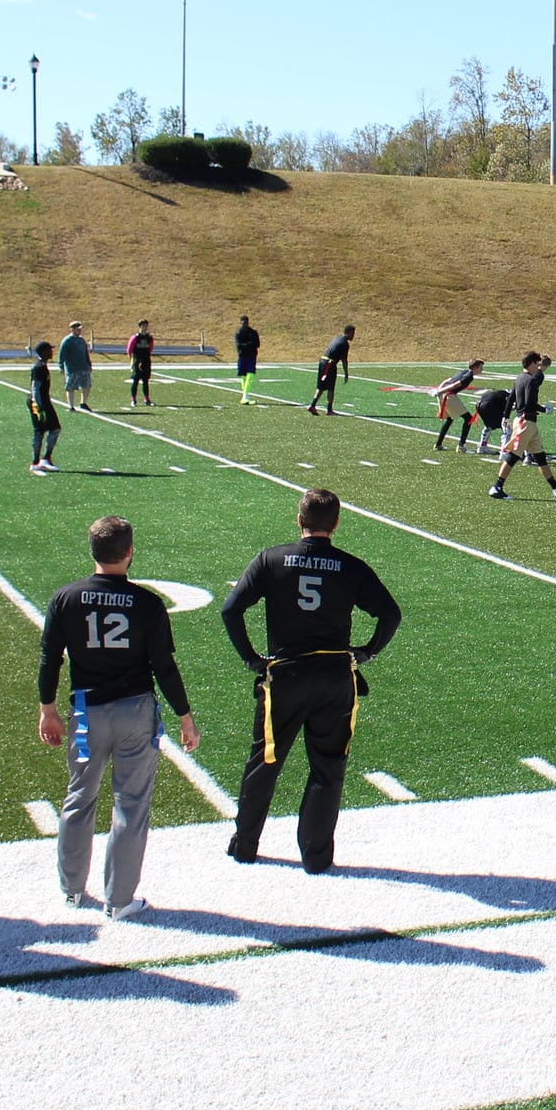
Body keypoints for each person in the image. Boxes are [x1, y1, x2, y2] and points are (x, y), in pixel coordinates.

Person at [221, 489, 401, 871]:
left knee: (265, 761)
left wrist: (253, 660)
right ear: (336, 524)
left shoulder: (271, 558)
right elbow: (391, 615)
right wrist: (366, 652)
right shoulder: (350, 566)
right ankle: (317, 856)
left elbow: (231, 609)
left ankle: (246, 844)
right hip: (336, 678)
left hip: (286, 674)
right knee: (328, 767)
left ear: (299, 520)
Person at [39, 515, 196, 919]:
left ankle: (72, 889)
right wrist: (184, 715)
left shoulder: (66, 597)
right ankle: (120, 899)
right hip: (134, 709)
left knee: (79, 798)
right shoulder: (146, 603)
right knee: (131, 805)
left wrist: (47, 708)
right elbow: (164, 665)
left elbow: (50, 658)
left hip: (86, 712)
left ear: (92, 551)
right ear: (129, 553)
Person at [490, 352, 556, 501]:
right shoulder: (530, 380)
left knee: (540, 457)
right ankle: (497, 487)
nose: (538, 367)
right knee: (513, 456)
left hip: (528, 422)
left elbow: (511, 398)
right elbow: (529, 403)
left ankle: (555, 487)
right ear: (531, 364)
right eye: (537, 364)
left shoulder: (519, 378)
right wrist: (544, 409)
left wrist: (505, 416)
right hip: (526, 422)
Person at [429, 359, 483, 451]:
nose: (482, 370)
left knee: (449, 419)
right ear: (475, 367)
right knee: (469, 419)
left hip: (443, 395)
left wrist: (439, 390)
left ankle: (438, 444)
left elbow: (447, 380)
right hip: (449, 396)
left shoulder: (463, 371)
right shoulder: (469, 376)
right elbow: (455, 384)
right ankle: (461, 446)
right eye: (481, 367)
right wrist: (439, 391)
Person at [28, 340, 62, 473]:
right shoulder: (39, 367)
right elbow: (35, 388)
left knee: (41, 430)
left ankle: (38, 460)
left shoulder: (41, 365)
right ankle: (43, 459)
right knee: (53, 428)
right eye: (49, 350)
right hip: (40, 402)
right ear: (43, 352)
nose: (52, 352)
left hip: (40, 401)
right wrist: (39, 406)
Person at [307, 325, 355, 415]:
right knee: (330, 388)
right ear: (348, 333)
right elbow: (344, 361)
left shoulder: (337, 338)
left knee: (321, 386)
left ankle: (312, 405)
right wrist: (346, 374)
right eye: (353, 333)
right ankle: (329, 410)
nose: (353, 336)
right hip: (330, 364)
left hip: (323, 362)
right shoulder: (345, 343)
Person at [58, 321, 95, 412]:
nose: (79, 330)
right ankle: (71, 406)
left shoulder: (81, 340)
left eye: (80, 329)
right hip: (72, 368)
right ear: (72, 329)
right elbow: (62, 354)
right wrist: (61, 366)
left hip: (83, 367)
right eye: (77, 328)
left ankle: (83, 403)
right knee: (70, 387)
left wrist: (89, 364)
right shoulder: (67, 340)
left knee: (86, 385)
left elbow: (85, 353)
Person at [470, 385, 512, 457]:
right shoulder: (508, 396)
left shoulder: (500, 393)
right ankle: (504, 452)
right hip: (489, 406)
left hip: (479, 405)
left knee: (489, 426)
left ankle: (482, 446)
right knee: (506, 428)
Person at [126, 320, 156, 409]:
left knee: (146, 380)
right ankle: (133, 399)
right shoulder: (135, 338)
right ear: (140, 327)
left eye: (146, 326)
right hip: (137, 361)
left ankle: (147, 399)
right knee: (135, 381)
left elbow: (150, 348)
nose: (145, 327)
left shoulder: (149, 338)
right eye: (143, 326)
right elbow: (129, 350)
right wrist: (132, 361)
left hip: (146, 361)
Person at [234, 316, 262, 404]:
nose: (244, 324)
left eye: (245, 323)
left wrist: (246, 345)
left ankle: (245, 396)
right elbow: (239, 345)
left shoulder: (253, 333)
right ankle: (245, 396)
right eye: (242, 323)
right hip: (242, 357)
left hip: (251, 356)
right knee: (243, 376)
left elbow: (257, 344)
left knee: (250, 375)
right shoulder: (239, 333)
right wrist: (249, 345)